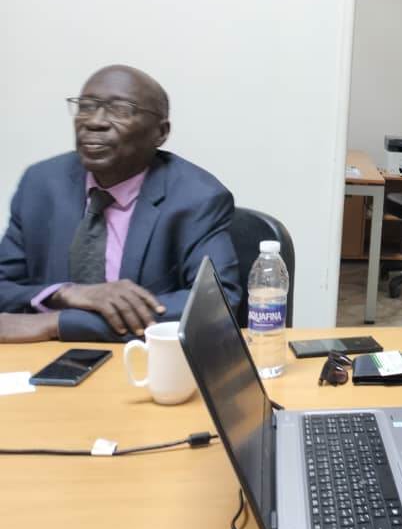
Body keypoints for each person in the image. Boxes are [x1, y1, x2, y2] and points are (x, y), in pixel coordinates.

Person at [0, 64, 242, 343]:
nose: (95, 122)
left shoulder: (196, 197)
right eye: (87, 106)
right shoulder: (41, 185)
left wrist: (58, 322)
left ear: (160, 132)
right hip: (44, 360)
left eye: (120, 110)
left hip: (138, 360)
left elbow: (217, 305)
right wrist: (65, 293)